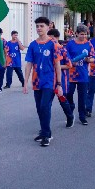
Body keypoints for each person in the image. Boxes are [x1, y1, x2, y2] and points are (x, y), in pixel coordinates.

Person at [23, 17, 63, 147]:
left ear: (48, 27)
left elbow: (57, 65)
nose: (39, 28)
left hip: (49, 81)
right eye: (37, 26)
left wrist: (59, 84)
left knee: (45, 106)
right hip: (36, 81)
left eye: (41, 26)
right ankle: (45, 131)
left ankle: (46, 134)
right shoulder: (33, 45)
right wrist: (25, 83)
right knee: (40, 108)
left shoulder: (54, 44)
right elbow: (29, 64)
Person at [65, 24, 95, 126]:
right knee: (68, 94)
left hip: (83, 75)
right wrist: (71, 62)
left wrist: (88, 59)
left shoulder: (89, 44)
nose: (83, 36)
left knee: (82, 97)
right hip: (71, 74)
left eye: (85, 34)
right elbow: (66, 56)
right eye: (81, 34)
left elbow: (93, 58)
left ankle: (82, 117)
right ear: (76, 33)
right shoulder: (70, 44)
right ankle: (71, 107)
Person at [48, 28, 75, 128]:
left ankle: (70, 116)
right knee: (47, 104)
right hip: (49, 80)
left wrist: (57, 67)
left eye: (51, 38)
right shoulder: (48, 49)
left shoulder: (62, 49)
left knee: (63, 100)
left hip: (62, 80)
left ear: (56, 38)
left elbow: (69, 65)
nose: (49, 40)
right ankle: (45, 127)